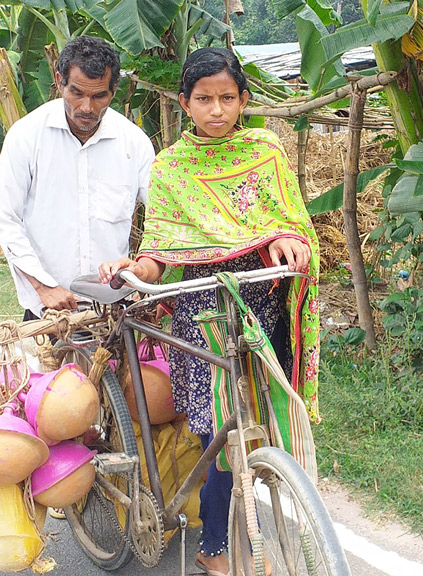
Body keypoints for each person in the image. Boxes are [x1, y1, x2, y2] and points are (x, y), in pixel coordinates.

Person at [98, 47, 320, 576]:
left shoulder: (266, 152)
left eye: (226, 98)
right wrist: (139, 268)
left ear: (244, 100)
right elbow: (162, 249)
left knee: (258, 424)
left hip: (262, 300)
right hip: (199, 308)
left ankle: (245, 539)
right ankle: (216, 545)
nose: (216, 109)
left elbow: (290, 219)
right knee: (219, 429)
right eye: (203, 99)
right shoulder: (170, 168)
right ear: (185, 103)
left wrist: (291, 239)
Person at [0, 35, 155, 320]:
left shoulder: (134, 143)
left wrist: (142, 271)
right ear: (59, 81)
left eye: (98, 96)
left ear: (114, 90)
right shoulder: (26, 136)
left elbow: (162, 217)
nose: (86, 107)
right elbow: (7, 221)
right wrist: (44, 287)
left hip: (116, 308)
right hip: (49, 308)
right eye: (77, 92)